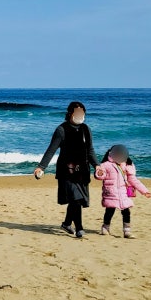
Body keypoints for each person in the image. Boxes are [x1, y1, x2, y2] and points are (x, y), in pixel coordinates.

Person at [34, 102, 103, 238]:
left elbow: (90, 150)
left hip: (82, 170)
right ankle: (79, 228)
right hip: (67, 171)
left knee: (76, 200)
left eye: (82, 113)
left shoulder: (86, 129)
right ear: (70, 113)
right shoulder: (61, 129)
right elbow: (51, 150)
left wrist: (97, 165)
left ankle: (66, 223)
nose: (80, 115)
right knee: (75, 198)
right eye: (77, 113)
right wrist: (41, 167)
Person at [95, 144, 151, 238]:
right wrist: (99, 173)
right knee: (109, 211)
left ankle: (127, 231)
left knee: (126, 212)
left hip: (123, 193)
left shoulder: (126, 165)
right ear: (111, 153)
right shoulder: (106, 165)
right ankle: (105, 228)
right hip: (111, 192)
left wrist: (144, 191)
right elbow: (101, 176)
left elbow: (133, 180)